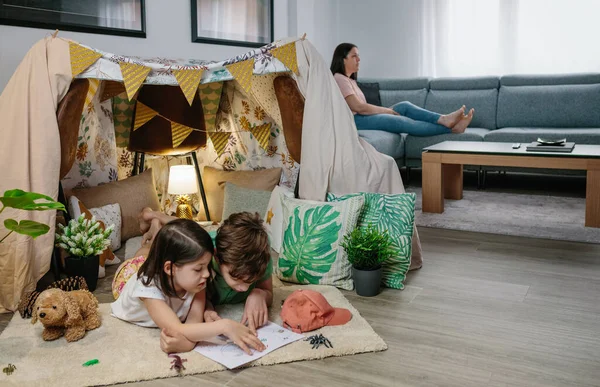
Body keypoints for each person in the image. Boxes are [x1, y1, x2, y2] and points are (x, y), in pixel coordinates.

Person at [110, 218, 266, 355]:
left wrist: (188, 344)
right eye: (199, 268)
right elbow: (176, 329)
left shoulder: (199, 280)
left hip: (166, 267)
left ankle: (157, 235)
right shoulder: (147, 288)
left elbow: (193, 324)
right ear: (170, 268)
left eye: (207, 266)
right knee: (143, 256)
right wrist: (225, 326)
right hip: (129, 274)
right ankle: (154, 236)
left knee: (160, 253)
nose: (207, 274)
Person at [330, 43, 474, 136]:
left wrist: (388, 111)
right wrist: (387, 111)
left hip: (363, 117)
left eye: (359, 56)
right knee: (403, 121)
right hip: (356, 121)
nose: (359, 59)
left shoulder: (351, 81)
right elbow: (359, 107)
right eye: (354, 56)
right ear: (342, 59)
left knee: (404, 106)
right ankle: (452, 128)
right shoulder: (339, 78)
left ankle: (443, 118)